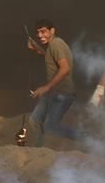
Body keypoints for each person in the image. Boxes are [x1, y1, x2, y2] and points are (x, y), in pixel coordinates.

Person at [26, 18, 83, 146]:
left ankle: (86, 137)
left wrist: (46, 87)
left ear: (52, 31)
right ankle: (38, 150)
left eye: (43, 31)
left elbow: (65, 68)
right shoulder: (53, 45)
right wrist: (36, 49)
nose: (40, 35)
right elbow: (50, 57)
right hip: (53, 93)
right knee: (34, 120)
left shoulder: (56, 44)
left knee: (50, 127)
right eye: (38, 32)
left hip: (63, 94)